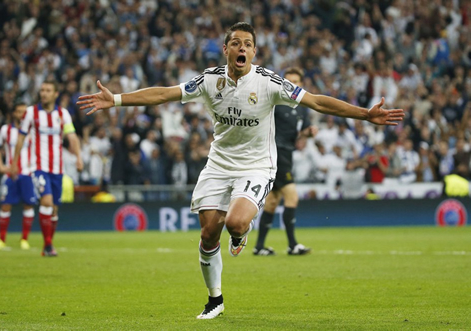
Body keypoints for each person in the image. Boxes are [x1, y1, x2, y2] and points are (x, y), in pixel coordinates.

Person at [77, 22, 404, 320]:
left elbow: (317, 102)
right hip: (218, 163)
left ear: (254, 51)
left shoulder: (269, 83)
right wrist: (117, 99)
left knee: (234, 221)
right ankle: (215, 299)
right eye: (236, 43)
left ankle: (242, 231)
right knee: (207, 234)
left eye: (248, 43)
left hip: (257, 165)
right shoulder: (209, 80)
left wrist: (364, 114)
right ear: (226, 49)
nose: (242, 48)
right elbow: (164, 94)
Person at [11, 81, 83, 257]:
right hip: (39, 166)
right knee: (47, 202)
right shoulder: (31, 113)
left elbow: (72, 137)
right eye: (42, 90)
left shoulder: (62, 114)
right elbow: (21, 138)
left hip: (57, 168)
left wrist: (79, 158)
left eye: (48, 90)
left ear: (55, 94)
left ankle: (47, 245)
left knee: (55, 209)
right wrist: (14, 162)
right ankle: (49, 245)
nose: (44, 93)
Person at [253, 67, 317, 256]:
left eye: (296, 82)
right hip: (275, 153)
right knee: (292, 196)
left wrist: (309, 133)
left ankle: (259, 247)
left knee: (272, 201)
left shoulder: (302, 108)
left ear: (301, 84)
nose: (292, 85)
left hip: (287, 153)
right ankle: (293, 245)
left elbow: (300, 132)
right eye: (288, 82)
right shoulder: (275, 103)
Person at [0, 103, 37, 251]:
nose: (21, 115)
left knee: (28, 205)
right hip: (10, 174)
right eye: (19, 112)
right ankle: (1, 239)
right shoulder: (6, 130)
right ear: (14, 114)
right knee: (5, 205)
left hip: (28, 173)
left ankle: (24, 239)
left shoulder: (33, 131)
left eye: (24, 112)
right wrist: (0, 165)